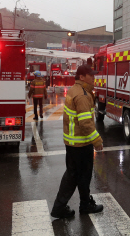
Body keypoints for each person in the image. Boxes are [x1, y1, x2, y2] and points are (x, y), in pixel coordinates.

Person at [50, 65, 104, 219]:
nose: (94, 78)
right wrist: (97, 141)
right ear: (82, 77)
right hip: (81, 143)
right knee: (80, 175)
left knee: (75, 175)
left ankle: (80, 204)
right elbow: (85, 123)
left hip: (73, 142)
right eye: (90, 75)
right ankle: (70, 206)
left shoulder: (74, 90)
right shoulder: (82, 95)